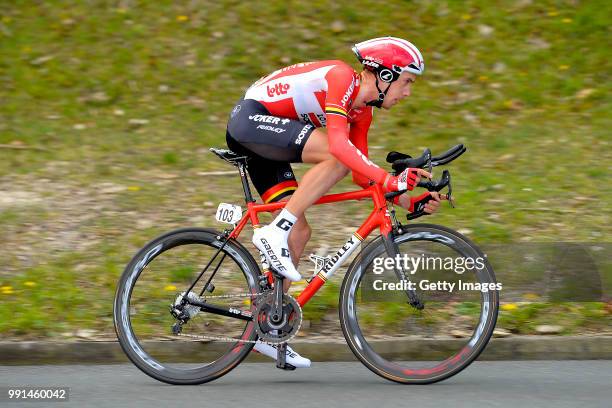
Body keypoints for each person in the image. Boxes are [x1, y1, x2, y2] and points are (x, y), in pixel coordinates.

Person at [225, 37, 446, 369]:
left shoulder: (361, 115)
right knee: (335, 155)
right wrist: (390, 179)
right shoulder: (342, 78)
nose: (408, 92)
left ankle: (265, 327)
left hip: (268, 139)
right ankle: (274, 230)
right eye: (407, 82)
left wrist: (410, 198)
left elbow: (361, 176)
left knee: (299, 233)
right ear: (386, 75)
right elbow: (342, 152)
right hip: (251, 119)